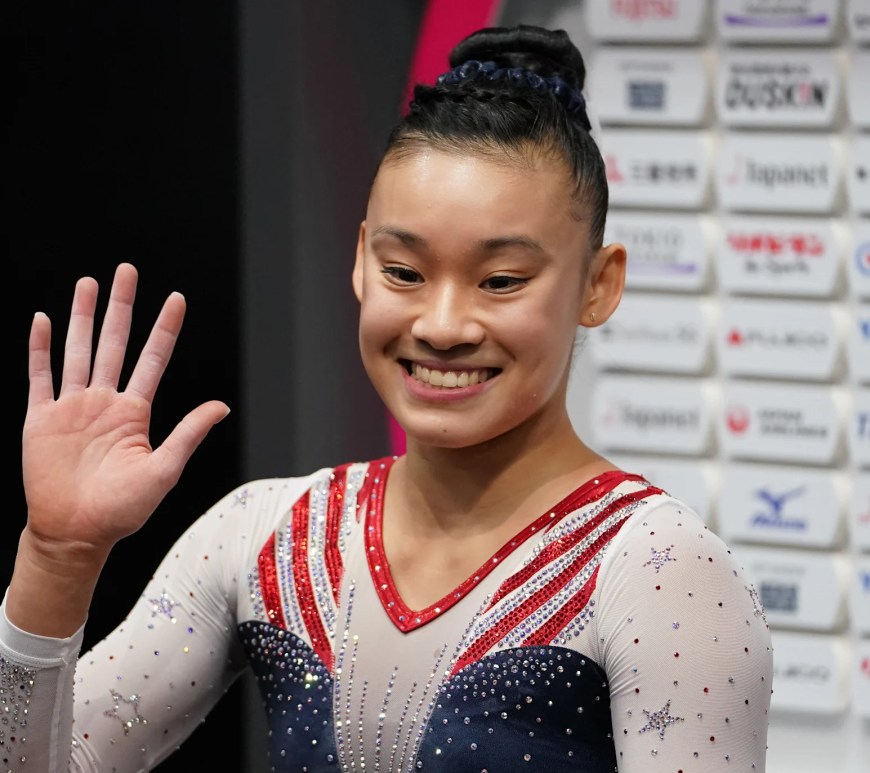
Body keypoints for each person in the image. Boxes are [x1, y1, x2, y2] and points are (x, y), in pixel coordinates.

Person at [2, 23, 772, 773]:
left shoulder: (661, 572)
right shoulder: (267, 535)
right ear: (361, 260)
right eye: (404, 271)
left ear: (598, 284)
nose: (441, 325)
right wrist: (58, 556)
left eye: (501, 280)